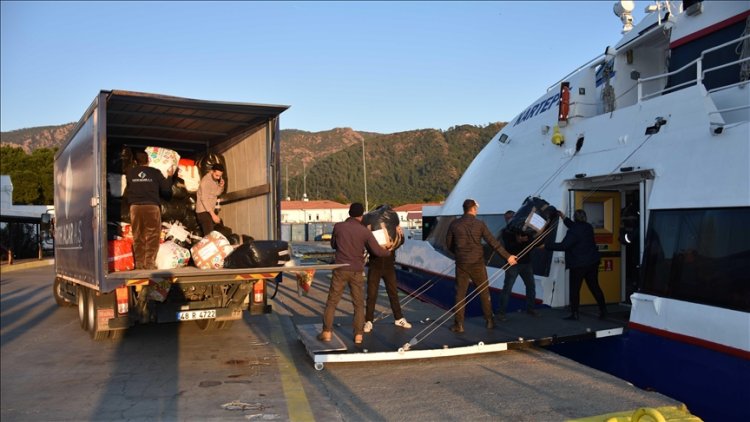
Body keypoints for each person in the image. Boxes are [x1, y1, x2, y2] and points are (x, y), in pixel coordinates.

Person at [318, 203, 391, 345]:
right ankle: (358, 335)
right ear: (361, 215)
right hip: (357, 270)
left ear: (349, 213)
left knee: (332, 302)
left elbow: (333, 245)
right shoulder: (364, 231)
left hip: (340, 269)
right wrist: (388, 251)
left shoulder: (338, 226)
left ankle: (327, 332)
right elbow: (376, 251)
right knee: (358, 304)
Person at [445, 199, 517, 333]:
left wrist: (459, 254)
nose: (477, 211)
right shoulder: (480, 224)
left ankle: (459, 325)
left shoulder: (454, 224)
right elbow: (493, 242)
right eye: (476, 208)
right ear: (472, 209)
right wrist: (508, 257)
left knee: (460, 294)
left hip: (462, 263)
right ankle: (489, 321)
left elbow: (448, 244)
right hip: (477, 263)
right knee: (484, 292)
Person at [546, 209, 608, 320]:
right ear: (585, 217)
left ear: (575, 217)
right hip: (592, 263)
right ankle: (604, 311)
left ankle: (575, 314)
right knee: (595, 287)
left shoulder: (573, 231)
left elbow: (563, 246)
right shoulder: (588, 227)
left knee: (575, 290)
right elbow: (574, 226)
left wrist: (546, 245)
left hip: (578, 265)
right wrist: (564, 218)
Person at [124, 150, 173, 270]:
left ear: (135, 162)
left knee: (138, 235)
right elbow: (166, 190)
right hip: (151, 207)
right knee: (152, 235)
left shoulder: (130, 173)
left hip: (135, 208)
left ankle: (139, 264)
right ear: (149, 160)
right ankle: (149, 264)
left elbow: (127, 190)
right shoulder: (155, 172)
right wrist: (170, 176)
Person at [364, 225, 411, 333]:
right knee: (371, 294)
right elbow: (367, 245)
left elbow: (399, 243)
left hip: (389, 267)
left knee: (393, 293)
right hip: (375, 266)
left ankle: (399, 318)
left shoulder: (391, 230)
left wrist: (401, 234)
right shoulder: (373, 231)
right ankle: (368, 321)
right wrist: (368, 233)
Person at [497, 211, 538, 320]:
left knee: (531, 286)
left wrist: (524, 240)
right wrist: (518, 241)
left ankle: (530, 309)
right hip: (513, 264)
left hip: (526, 262)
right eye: (507, 218)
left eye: (510, 217)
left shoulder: (524, 228)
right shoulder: (506, 232)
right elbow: (508, 248)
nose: (509, 220)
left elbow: (531, 242)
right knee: (507, 289)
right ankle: (501, 313)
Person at [196, 163, 225, 236]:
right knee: (209, 236)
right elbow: (204, 199)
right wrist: (213, 215)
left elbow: (216, 193)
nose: (218, 178)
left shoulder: (214, 179)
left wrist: (221, 186)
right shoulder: (206, 181)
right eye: (217, 175)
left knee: (214, 233)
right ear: (212, 171)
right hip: (203, 212)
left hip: (209, 211)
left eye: (220, 176)